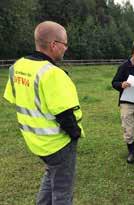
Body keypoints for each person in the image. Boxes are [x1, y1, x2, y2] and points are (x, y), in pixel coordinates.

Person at [3, 21, 84, 204]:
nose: (66, 48)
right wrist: (75, 134)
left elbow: (16, 98)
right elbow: (65, 115)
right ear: (54, 45)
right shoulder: (53, 74)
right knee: (63, 193)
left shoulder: (17, 67)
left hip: (35, 142)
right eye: (65, 44)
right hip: (58, 143)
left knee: (51, 175)